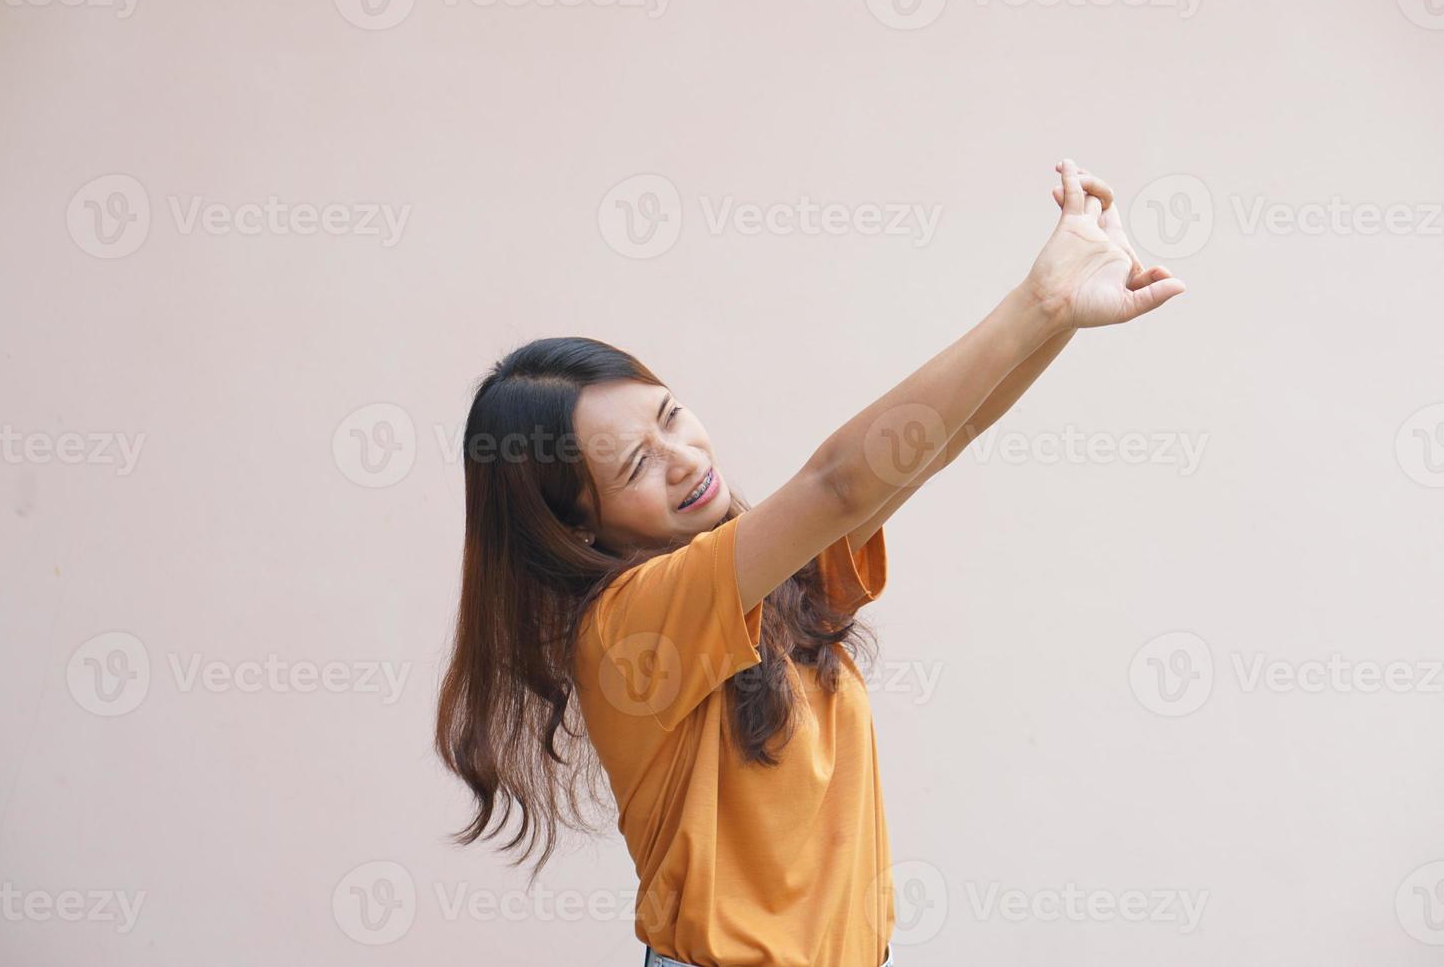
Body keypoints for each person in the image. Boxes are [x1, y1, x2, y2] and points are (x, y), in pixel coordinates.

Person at [435, 160, 1187, 966]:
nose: (684, 459)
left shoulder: (762, 574)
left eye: (672, 417)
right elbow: (837, 484)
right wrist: (1033, 301)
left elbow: (936, 442)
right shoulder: (630, 626)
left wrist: (1060, 317)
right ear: (577, 524)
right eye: (635, 466)